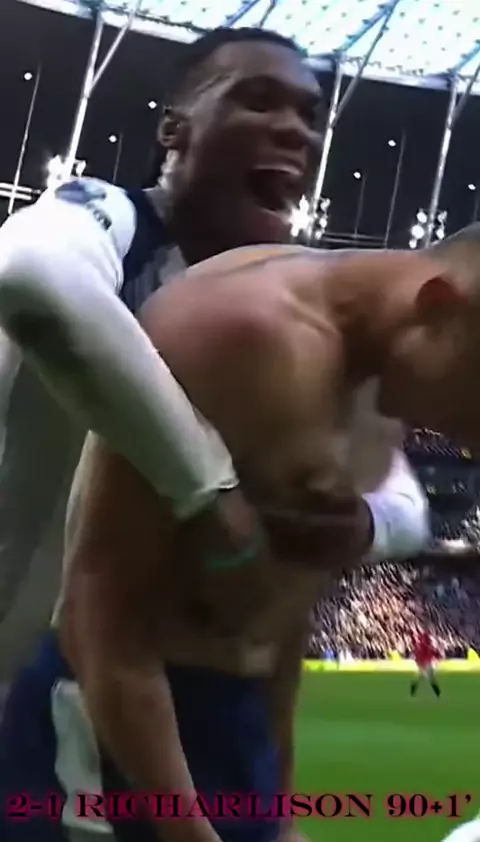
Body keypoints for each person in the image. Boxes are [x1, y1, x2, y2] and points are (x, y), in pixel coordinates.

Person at [4, 227, 465, 842]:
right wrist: (189, 837)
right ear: (438, 306)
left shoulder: (382, 389)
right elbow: (99, 615)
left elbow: (284, 613)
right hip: (106, 752)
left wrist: (280, 816)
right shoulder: (243, 333)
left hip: (235, 733)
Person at [0, 26, 427, 643]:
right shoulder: (111, 220)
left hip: (114, 679)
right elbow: (30, 274)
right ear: (174, 131)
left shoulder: (290, 307)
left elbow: (404, 500)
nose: (297, 132)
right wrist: (208, 494)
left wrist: (364, 525)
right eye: (258, 100)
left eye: (309, 116)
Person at [410, 628, 441, 697]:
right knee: (426, 678)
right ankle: (438, 693)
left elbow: (420, 653)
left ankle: (412, 693)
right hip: (426, 663)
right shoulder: (425, 644)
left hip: (425, 663)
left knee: (421, 678)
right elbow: (433, 652)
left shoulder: (423, 644)